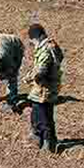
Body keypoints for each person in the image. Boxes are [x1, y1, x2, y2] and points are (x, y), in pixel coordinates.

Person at [23, 23, 63, 154]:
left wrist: (29, 78)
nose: (33, 45)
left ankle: (48, 142)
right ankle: (40, 138)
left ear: (37, 37)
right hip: (47, 87)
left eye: (33, 41)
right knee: (40, 113)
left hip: (44, 88)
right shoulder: (51, 45)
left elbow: (41, 70)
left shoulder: (45, 49)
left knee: (42, 115)